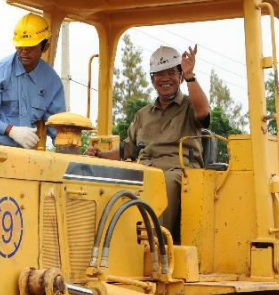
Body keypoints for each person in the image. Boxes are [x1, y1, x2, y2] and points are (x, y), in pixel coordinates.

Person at [86, 45, 210, 241]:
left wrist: (190, 76)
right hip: (144, 168)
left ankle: (156, 244)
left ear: (179, 76)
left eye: (171, 73)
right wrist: (100, 156)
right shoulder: (143, 114)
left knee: (165, 183)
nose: (165, 79)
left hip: (179, 171)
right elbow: (127, 149)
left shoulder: (189, 105)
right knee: (112, 181)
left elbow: (203, 112)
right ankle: (109, 242)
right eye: (159, 74)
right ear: (152, 79)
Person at [0, 13, 66, 149]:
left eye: (30, 47)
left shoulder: (52, 82)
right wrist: (10, 130)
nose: (24, 52)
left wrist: (69, 147)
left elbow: (58, 129)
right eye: (20, 46)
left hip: (27, 156)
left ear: (45, 47)